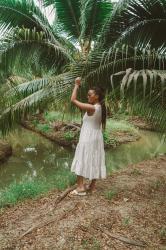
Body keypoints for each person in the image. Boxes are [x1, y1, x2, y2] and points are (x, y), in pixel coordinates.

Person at [70, 77, 107, 196]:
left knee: (82, 157)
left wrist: (76, 85)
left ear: (96, 96)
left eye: (89, 95)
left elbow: (73, 99)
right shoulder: (101, 107)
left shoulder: (92, 108)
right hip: (96, 137)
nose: (87, 96)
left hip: (88, 137)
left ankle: (80, 188)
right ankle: (92, 186)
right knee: (95, 158)